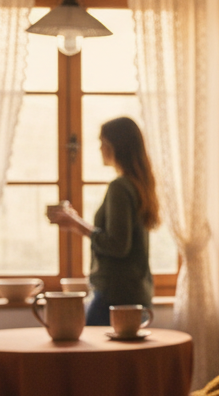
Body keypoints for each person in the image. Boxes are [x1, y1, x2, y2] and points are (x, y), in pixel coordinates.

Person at [45, 117, 160, 325]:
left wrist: (76, 224)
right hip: (136, 294)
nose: (99, 148)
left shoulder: (120, 187)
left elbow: (118, 245)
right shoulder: (139, 185)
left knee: (91, 357)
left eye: (102, 142)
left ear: (116, 146)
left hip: (116, 296)